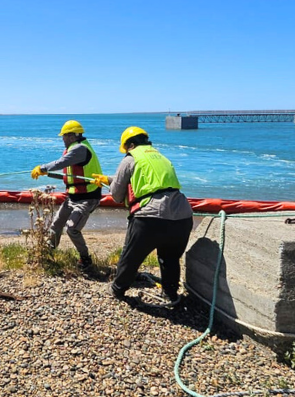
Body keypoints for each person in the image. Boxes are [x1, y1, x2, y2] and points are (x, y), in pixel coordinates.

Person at [92, 126, 193, 308]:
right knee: (169, 257)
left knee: (131, 256)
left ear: (130, 145)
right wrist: (108, 179)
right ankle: (170, 293)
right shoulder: (161, 157)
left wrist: (111, 185)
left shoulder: (130, 158)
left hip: (150, 217)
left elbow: (116, 195)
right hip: (182, 216)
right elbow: (153, 182)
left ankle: (117, 289)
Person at [30, 120, 103, 270]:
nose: (62, 139)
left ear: (71, 136)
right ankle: (48, 252)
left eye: (64, 136)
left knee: (72, 229)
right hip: (73, 197)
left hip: (87, 198)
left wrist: (42, 168)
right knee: (56, 225)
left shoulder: (80, 149)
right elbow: (70, 173)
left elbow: (61, 163)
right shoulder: (75, 149)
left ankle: (85, 259)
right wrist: (47, 174)